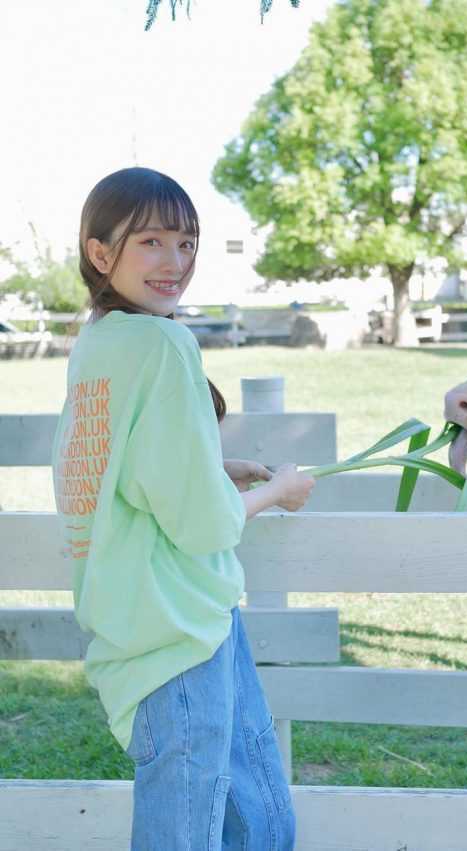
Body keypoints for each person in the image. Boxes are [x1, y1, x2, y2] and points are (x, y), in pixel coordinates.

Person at [50, 166, 315, 850]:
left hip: (167, 627)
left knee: (260, 824)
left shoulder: (100, 342)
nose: (176, 264)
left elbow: (112, 465)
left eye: (188, 243)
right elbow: (205, 525)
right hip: (177, 636)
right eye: (152, 243)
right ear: (99, 252)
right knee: (223, 831)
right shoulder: (164, 344)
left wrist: (210, 465)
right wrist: (277, 491)